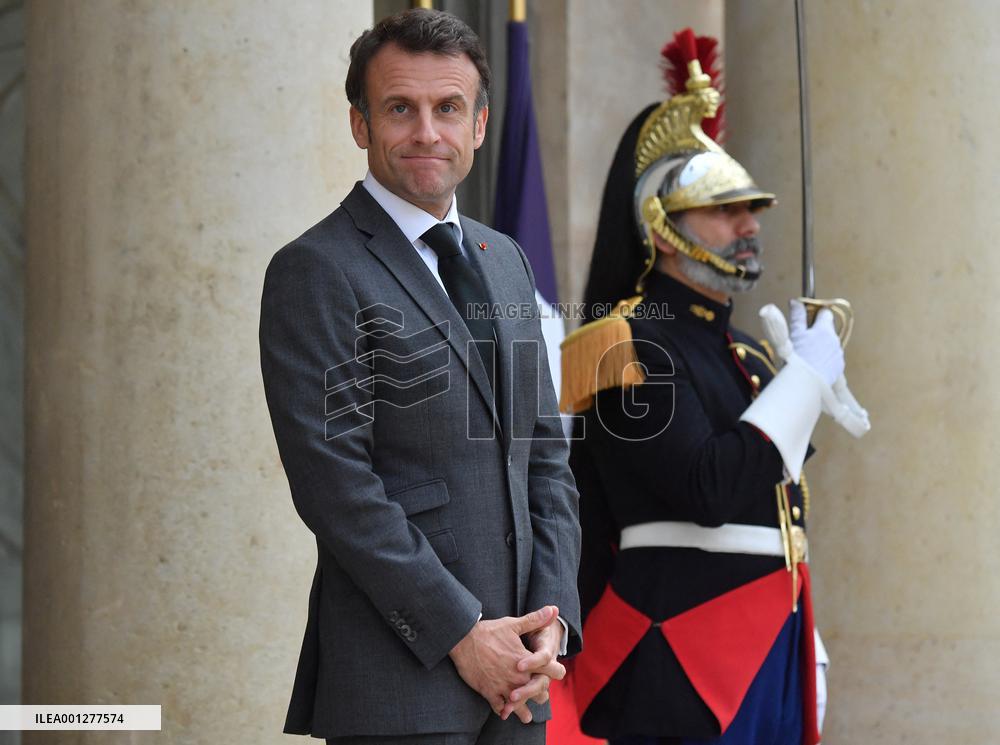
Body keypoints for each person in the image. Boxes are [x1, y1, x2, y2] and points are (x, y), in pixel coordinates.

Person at [259, 9, 581, 745]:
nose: (427, 132)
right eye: (400, 108)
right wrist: (465, 634)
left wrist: (551, 623)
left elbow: (546, 459)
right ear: (359, 123)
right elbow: (336, 486)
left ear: (481, 124)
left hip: (522, 686)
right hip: (399, 686)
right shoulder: (316, 269)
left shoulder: (505, 259)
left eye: (448, 108)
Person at [560, 31, 839, 745]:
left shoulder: (745, 350)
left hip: (772, 631)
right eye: (725, 209)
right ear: (661, 222)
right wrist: (803, 383)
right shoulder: (622, 342)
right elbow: (707, 490)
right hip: (677, 649)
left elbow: (774, 506)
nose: (749, 227)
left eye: (751, 210)